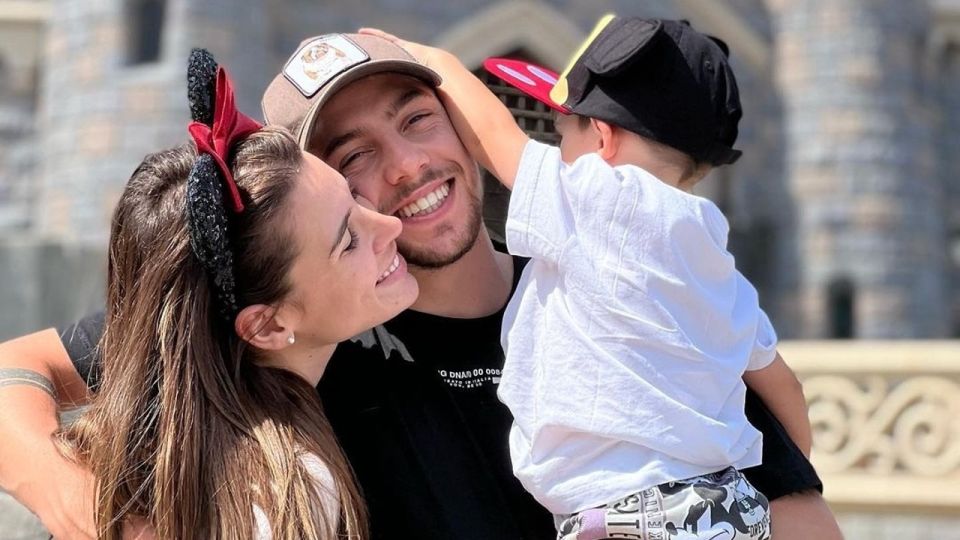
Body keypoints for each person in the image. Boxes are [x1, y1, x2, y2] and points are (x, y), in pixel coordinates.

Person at [0, 32, 841, 540]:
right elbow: (15, 376)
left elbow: (795, 507)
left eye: (415, 118)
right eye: (351, 157)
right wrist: (76, 505)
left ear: (464, 124)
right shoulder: (302, 348)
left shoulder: (619, 296)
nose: (404, 170)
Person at [3, 49, 420, 539]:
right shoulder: (284, 496)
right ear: (267, 324)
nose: (389, 223)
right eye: (348, 240)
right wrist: (74, 505)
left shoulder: (195, 390)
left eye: (353, 194)